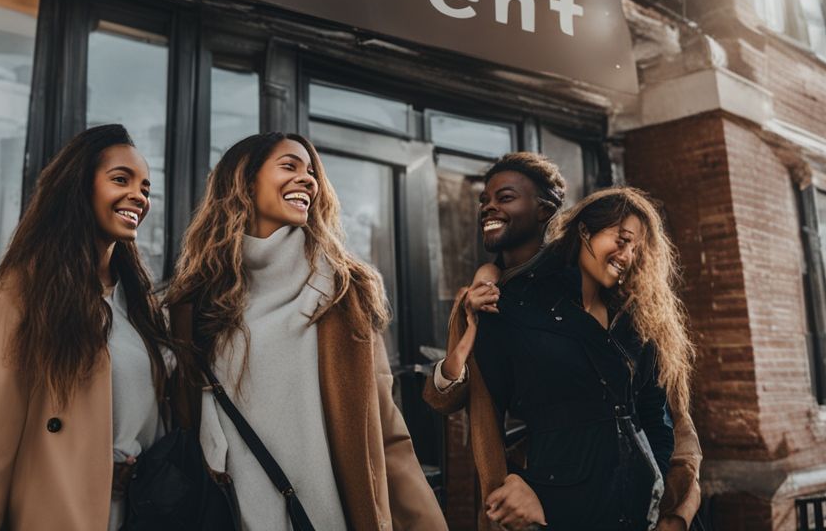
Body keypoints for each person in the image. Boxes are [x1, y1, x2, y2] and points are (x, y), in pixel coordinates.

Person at [164, 132, 447, 530]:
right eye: (289, 166)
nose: (307, 179)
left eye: (311, 171)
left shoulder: (342, 293)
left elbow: (384, 432)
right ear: (245, 182)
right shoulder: (195, 304)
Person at [425, 157, 701, 531]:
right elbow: (452, 399)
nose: (489, 206)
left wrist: (674, 504)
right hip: (545, 488)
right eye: (484, 200)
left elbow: (657, 410)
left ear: (545, 210)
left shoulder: (604, 291)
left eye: (505, 197)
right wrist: (516, 487)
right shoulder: (485, 298)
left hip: (624, 493)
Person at [0, 124, 171, 531]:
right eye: (121, 179)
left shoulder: (140, 305)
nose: (139, 196)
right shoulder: (22, 302)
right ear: (79, 188)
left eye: (146, 188)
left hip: (137, 516)